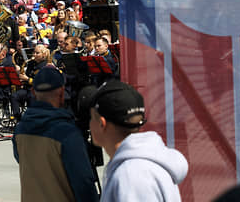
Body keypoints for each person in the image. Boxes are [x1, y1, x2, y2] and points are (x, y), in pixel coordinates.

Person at [88, 80, 188, 202]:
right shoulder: (140, 166)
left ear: (101, 124)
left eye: (92, 118)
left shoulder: (130, 175)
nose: (89, 124)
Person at [13, 67, 99, 202]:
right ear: (62, 91)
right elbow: (83, 183)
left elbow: (23, 160)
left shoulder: (19, 130)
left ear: (33, 93)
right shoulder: (67, 133)